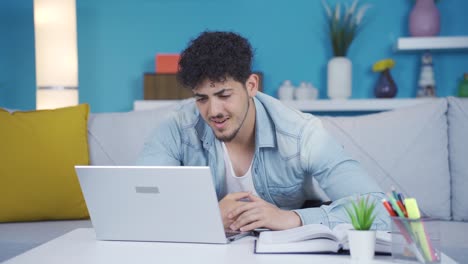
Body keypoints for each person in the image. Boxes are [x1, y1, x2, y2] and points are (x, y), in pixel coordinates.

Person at [137, 31, 390, 232]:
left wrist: (290, 218)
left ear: (251, 85)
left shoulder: (301, 133)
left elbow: (378, 208)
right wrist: (209, 216)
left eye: (224, 95)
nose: (213, 110)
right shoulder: (176, 127)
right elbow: (141, 208)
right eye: (201, 98)